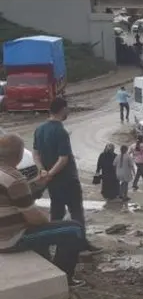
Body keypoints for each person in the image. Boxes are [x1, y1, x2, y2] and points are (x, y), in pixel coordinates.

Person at [0, 133, 86, 287]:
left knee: (45, 230)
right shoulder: (14, 178)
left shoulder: (7, 176)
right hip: (9, 240)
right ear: (19, 155)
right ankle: (64, 279)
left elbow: (15, 195)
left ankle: (48, 262)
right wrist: (46, 221)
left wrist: (36, 183)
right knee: (74, 230)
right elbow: (34, 219)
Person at [33, 98, 100, 253]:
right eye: (67, 108)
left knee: (56, 211)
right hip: (68, 180)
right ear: (62, 109)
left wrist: (43, 171)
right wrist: (50, 173)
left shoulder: (39, 129)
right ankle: (81, 244)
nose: (68, 111)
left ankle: (50, 243)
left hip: (52, 182)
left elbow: (36, 153)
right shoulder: (60, 131)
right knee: (76, 212)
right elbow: (63, 159)